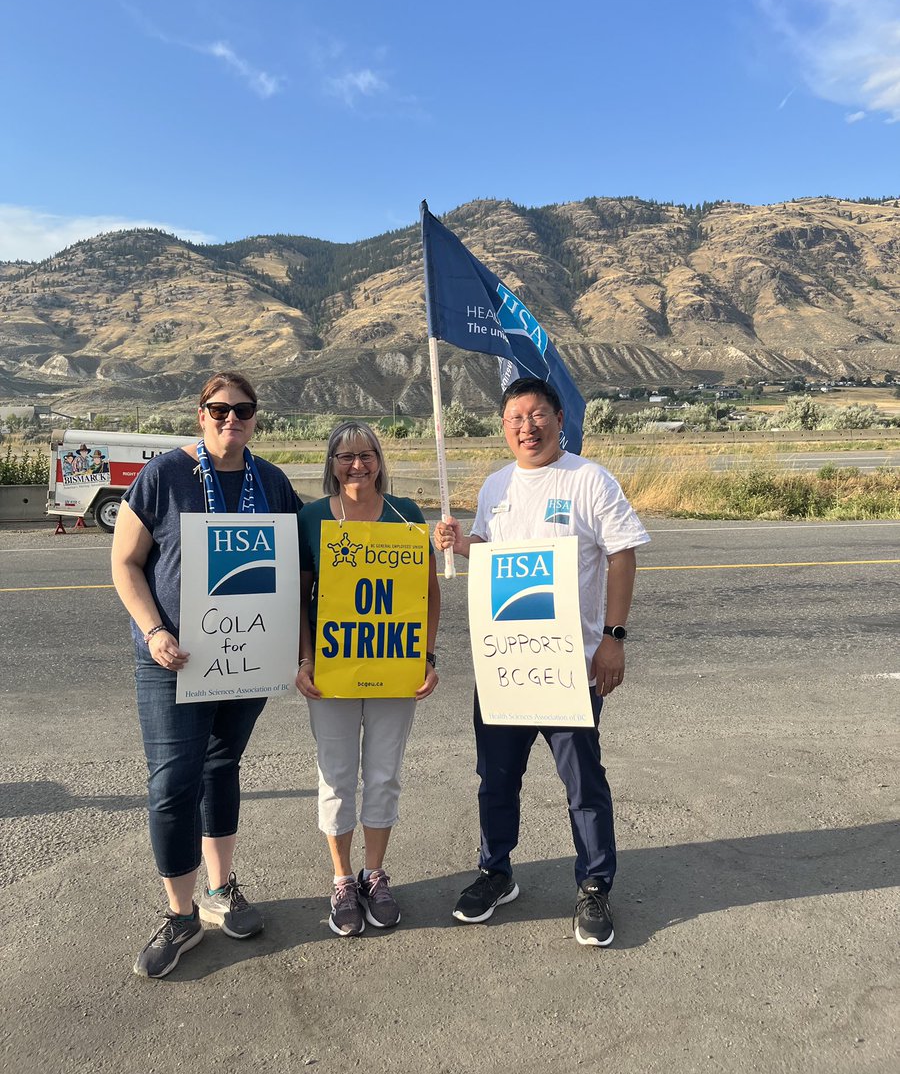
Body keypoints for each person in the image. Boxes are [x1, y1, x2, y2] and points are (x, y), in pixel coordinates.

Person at [434, 377, 649, 947]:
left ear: (558, 418)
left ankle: (595, 884)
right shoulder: (496, 485)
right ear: (503, 428)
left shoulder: (589, 480)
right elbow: (492, 558)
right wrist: (459, 544)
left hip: (572, 665)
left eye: (537, 415)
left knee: (583, 782)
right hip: (506, 666)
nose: (526, 428)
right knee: (496, 780)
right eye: (514, 419)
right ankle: (496, 872)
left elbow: (623, 553)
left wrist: (614, 637)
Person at [111, 371, 303, 978]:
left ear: (255, 418)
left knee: (222, 766)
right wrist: (154, 630)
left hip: (246, 660)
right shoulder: (165, 475)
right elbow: (125, 562)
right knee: (173, 782)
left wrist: (299, 650)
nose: (231, 420)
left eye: (243, 410)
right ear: (200, 414)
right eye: (219, 410)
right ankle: (180, 913)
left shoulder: (270, 482)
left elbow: (300, 570)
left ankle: (221, 891)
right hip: (172, 660)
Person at [296, 421, 440, 937]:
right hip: (333, 671)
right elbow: (302, 599)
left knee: (383, 774)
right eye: (344, 456)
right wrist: (306, 660)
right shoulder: (311, 518)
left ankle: (374, 873)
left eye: (366, 454)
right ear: (330, 464)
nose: (356, 464)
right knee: (336, 777)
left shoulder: (406, 514)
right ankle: (341, 879)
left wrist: (424, 656)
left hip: (393, 666)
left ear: (380, 459)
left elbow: (428, 594)